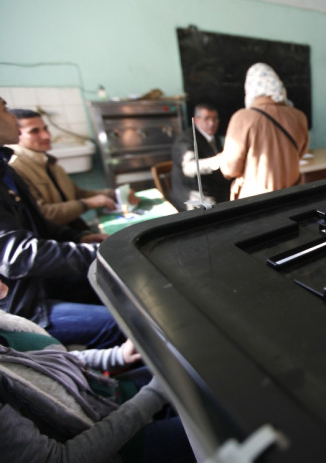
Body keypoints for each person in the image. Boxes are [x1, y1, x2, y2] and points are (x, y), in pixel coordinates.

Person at [0, 96, 124, 349]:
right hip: (24, 301)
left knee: (118, 284)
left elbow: (38, 224)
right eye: (4, 109)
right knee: (125, 323)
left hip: (41, 279)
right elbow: (17, 256)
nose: (11, 116)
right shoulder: (15, 167)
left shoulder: (6, 170)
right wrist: (95, 253)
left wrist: (79, 238)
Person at [0, 305, 195, 463]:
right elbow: (60, 458)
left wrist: (115, 356)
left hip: (107, 392)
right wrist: (154, 395)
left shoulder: (6, 325)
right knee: (218, 425)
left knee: (192, 373)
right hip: (116, 445)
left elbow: (50, 364)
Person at [8, 109, 133, 231]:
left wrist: (116, 194)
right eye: (34, 131)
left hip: (74, 229)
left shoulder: (49, 162)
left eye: (45, 128)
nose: (46, 136)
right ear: (16, 133)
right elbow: (43, 214)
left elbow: (76, 194)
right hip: (55, 238)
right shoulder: (15, 169)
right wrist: (87, 204)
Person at [221, 63, 310, 199]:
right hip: (293, 196)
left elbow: (230, 169)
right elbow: (301, 153)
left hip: (258, 203)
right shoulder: (299, 116)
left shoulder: (242, 117)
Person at [170, 103, 231, 210]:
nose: (211, 123)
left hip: (210, 187)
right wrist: (217, 160)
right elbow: (189, 168)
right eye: (207, 118)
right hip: (193, 193)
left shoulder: (213, 136)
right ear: (196, 120)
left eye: (215, 119)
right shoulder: (186, 140)